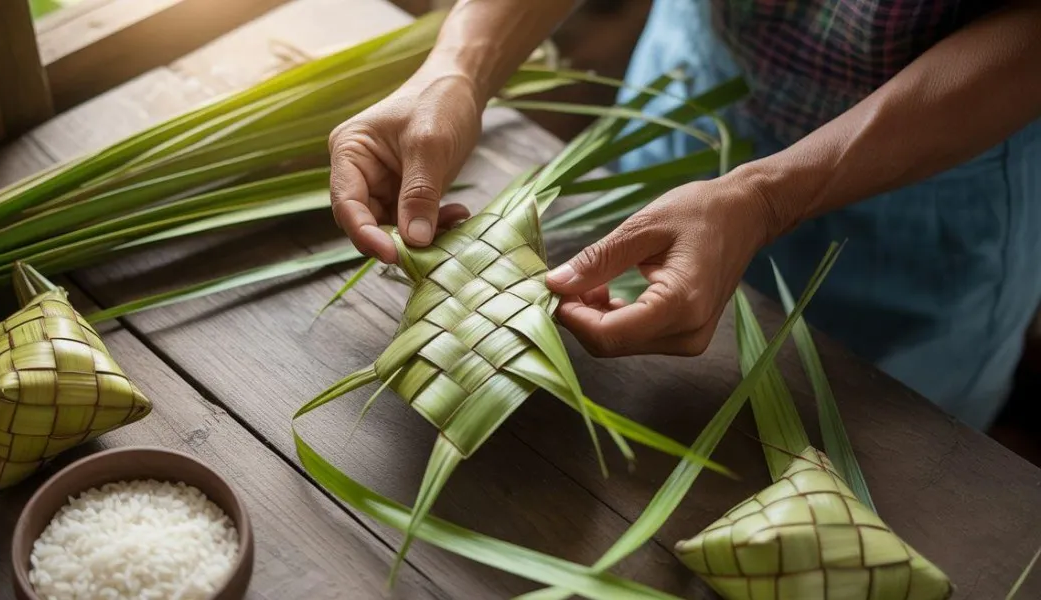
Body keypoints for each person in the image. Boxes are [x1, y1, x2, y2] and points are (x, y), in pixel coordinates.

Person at [327, 0, 1041, 431]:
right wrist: (459, 66)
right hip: (691, 97)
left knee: (877, 436)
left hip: (927, 173)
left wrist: (765, 196)